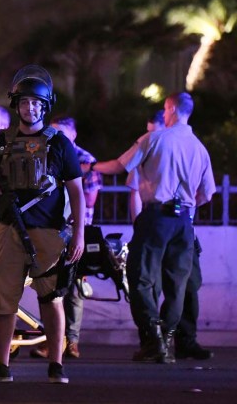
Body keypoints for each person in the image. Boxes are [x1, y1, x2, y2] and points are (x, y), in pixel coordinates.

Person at [0, 65, 85, 383]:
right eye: (25, 102)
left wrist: (78, 233)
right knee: (3, 300)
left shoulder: (60, 144)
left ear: (46, 105)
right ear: (16, 105)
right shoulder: (0, 142)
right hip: (9, 228)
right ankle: (1, 365)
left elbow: (76, 190)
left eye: (36, 103)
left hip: (49, 231)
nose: (30, 108)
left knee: (51, 298)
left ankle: (56, 364)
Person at [90, 92, 215, 364]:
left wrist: (89, 166)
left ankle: (153, 340)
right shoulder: (199, 148)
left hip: (156, 216)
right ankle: (168, 340)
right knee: (177, 285)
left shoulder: (155, 139)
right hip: (184, 222)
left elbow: (118, 166)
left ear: (170, 109)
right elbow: (207, 193)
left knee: (141, 279)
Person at [127, 109, 213, 360]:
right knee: (166, 284)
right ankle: (156, 341)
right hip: (172, 225)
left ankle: (175, 340)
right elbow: (134, 192)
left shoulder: (163, 146)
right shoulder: (158, 150)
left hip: (171, 226)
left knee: (182, 285)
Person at [29, 115, 102, 360]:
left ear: (73, 135)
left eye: (62, 133)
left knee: (73, 288)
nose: (57, 137)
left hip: (75, 228)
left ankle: (71, 341)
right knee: (52, 287)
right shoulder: (46, 154)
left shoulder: (84, 160)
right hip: (52, 227)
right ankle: (55, 342)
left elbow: (89, 198)